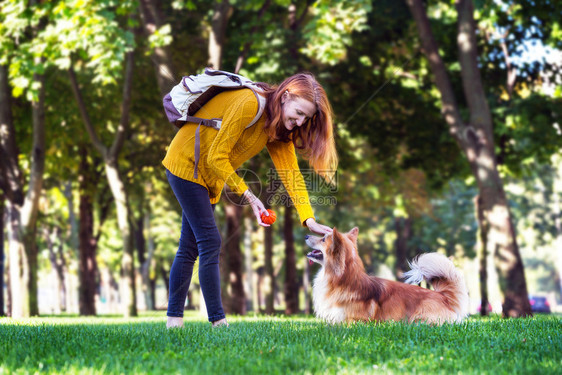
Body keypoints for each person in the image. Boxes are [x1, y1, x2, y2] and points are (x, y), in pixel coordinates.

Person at [162, 72, 338, 328]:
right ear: (286, 96)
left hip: (208, 177)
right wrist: (250, 196)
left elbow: (292, 177)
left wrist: (308, 219)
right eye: (298, 112)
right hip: (187, 163)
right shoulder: (250, 103)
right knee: (210, 241)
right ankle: (218, 323)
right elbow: (216, 156)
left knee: (190, 246)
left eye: (305, 118)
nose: (299, 122)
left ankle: (173, 323)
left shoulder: (278, 129)